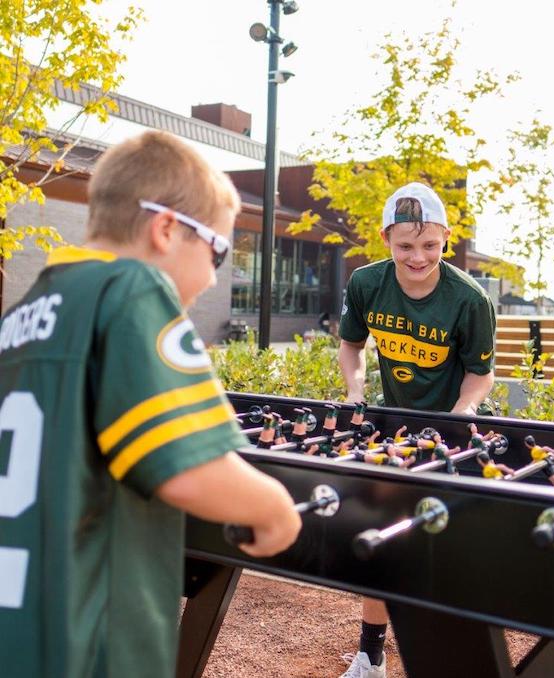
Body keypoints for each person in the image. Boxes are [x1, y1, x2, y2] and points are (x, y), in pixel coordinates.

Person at [0, 131, 302, 678]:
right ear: (166, 229)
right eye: (217, 250)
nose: (213, 276)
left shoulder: (24, 314)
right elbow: (188, 467)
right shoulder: (132, 289)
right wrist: (274, 507)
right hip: (87, 644)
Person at [338, 181, 496, 677]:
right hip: (395, 429)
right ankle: (371, 657)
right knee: (381, 541)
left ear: (446, 238)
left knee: (450, 554)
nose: (418, 257)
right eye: (405, 245)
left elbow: (482, 371)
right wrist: (355, 391)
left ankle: (459, 660)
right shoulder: (366, 284)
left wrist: (463, 411)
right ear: (387, 238)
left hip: (456, 435)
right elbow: (351, 346)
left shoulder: (469, 299)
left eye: (430, 245)